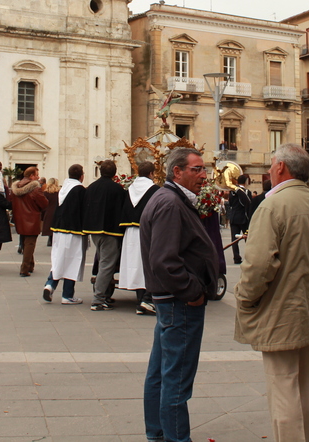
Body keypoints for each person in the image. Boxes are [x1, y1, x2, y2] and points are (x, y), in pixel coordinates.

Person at [234, 144, 309, 442]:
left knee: (284, 390)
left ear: (281, 167)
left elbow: (258, 265)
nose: (268, 171)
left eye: (270, 165)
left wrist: (244, 297)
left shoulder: (272, 206)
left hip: (281, 313)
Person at [141, 147, 219, 442]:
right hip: (179, 302)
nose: (204, 175)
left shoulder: (169, 199)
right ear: (177, 172)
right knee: (176, 378)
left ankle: (158, 433)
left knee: (161, 372)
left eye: (204, 169)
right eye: (197, 169)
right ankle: (175, 438)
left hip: (171, 301)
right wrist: (193, 291)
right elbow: (164, 260)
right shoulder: (170, 203)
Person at [84, 159, 128, 310]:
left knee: (103, 261)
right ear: (114, 173)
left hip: (94, 230)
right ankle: (98, 299)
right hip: (111, 231)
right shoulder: (117, 189)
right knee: (106, 265)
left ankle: (104, 296)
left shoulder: (92, 187)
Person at [119, 161, 159, 315]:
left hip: (130, 231)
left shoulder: (130, 188)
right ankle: (147, 300)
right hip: (147, 231)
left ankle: (140, 299)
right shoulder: (155, 190)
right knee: (147, 264)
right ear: (151, 174)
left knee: (135, 264)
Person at [44, 164, 87, 304]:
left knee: (59, 258)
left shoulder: (63, 189)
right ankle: (67, 295)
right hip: (73, 230)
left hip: (58, 229)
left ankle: (50, 284)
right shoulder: (79, 190)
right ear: (81, 176)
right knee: (72, 260)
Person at [10, 166, 48, 277]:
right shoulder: (35, 189)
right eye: (37, 175)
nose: (38, 177)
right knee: (30, 244)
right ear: (31, 176)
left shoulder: (15, 188)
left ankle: (30, 265)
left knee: (26, 242)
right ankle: (24, 269)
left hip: (20, 219)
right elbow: (44, 203)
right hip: (32, 219)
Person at [227, 173, 252, 264]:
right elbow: (248, 205)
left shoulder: (232, 191)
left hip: (234, 217)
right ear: (245, 182)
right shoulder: (246, 192)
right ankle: (249, 256)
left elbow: (230, 204)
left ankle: (236, 257)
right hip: (243, 217)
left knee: (234, 239)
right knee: (247, 238)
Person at [41, 177, 59, 247]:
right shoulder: (59, 192)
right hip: (56, 211)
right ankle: (54, 240)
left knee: (49, 225)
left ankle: (50, 239)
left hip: (48, 212)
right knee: (55, 227)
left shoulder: (45, 193)